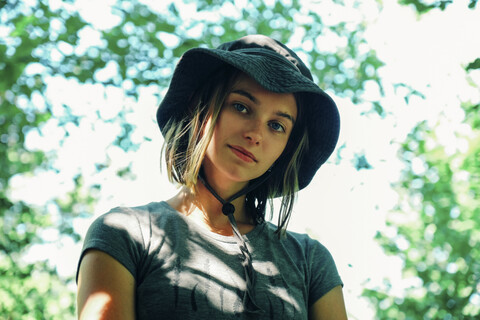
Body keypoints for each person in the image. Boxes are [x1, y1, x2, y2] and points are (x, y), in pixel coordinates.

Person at [76, 34, 347, 319]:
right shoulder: (124, 234)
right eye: (241, 107)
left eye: (276, 125)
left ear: (286, 150)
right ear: (200, 108)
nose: (255, 134)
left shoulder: (310, 260)